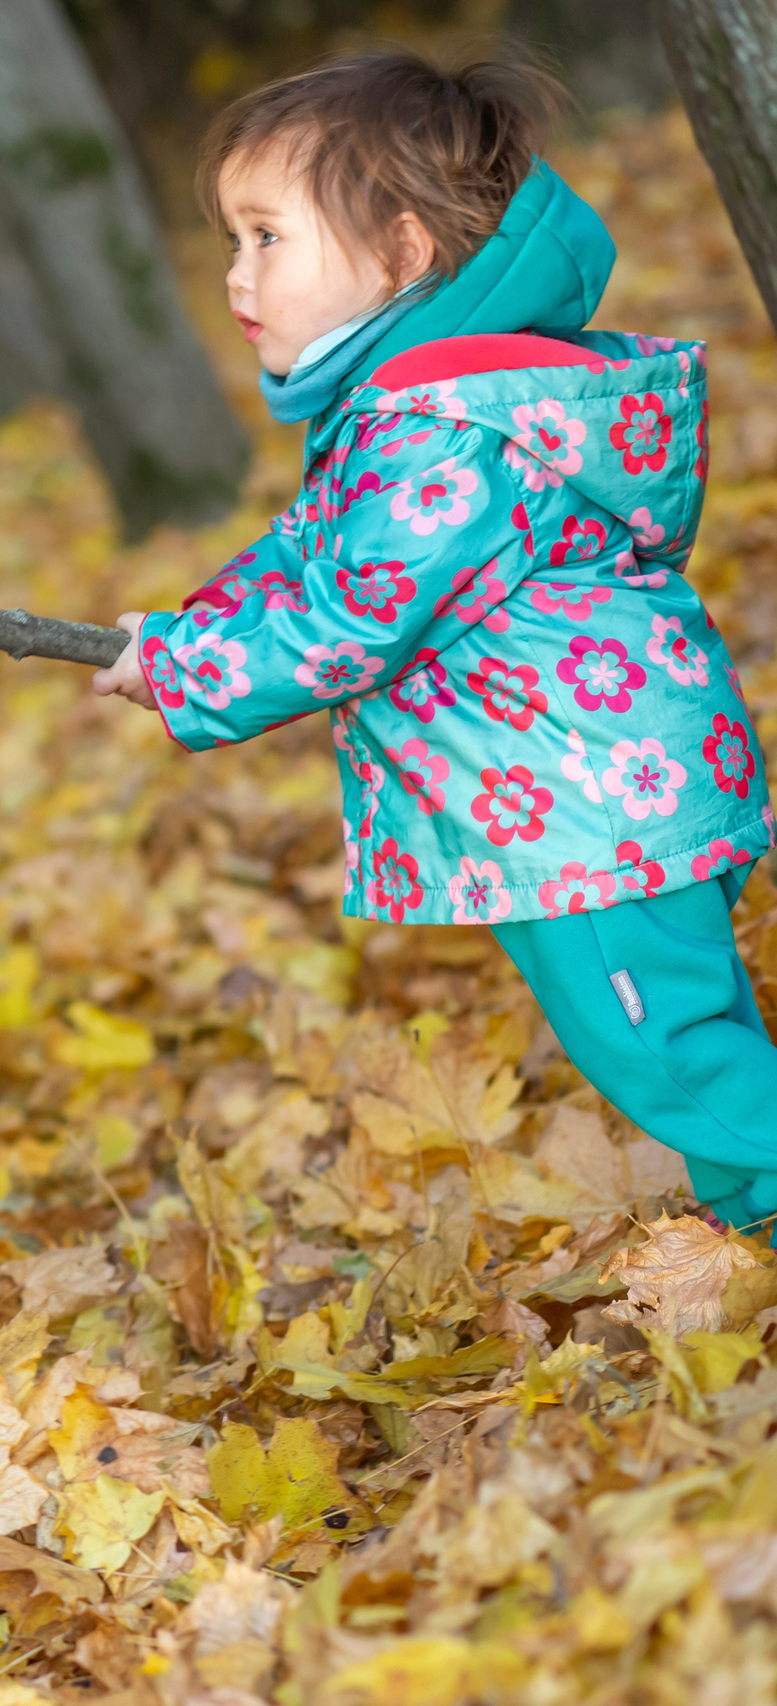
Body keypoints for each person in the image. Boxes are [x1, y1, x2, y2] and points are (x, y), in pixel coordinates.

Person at [92, 50, 777, 1229]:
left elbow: (349, 621)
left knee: (663, 1050)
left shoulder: (440, 433)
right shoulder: (416, 411)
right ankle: (750, 1208)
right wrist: (193, 630)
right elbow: (310, 553)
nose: (232, 272)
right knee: (678, 1028)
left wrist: (192, 675)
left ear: (402, 255)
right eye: (230, 239)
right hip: (591, 789)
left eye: (266, 238)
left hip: (588, 807)